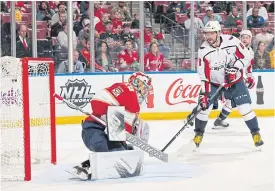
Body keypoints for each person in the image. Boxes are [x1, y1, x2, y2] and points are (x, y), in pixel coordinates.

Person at [194, 21, 264, 149]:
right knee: (204, 109)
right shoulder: (203, 51)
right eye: (206, 33)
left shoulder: (232, 41)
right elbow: (203, 75)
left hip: (235, 81)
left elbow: (246, 56)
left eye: (211, 33)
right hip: (214, 83)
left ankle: (256, 134)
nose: (208, 36)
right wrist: (204, 94)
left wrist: (235, 68)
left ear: (218, 32)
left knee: (245, 108)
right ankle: (198, 135)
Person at [70, 72, 152, 180]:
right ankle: (88, 167)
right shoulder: (131, 95)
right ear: (137, 83)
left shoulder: (124, 88)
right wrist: (111, 117)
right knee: (110, 151)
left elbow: (96, 101)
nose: (145, 92)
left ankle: (87, 166)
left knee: (117, 152)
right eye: (144, 88)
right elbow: (98, 103)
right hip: (94, 130)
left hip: (93, 131)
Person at [213, 30, 256, 129]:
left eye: (247, 37)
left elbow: (248, 66)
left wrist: (250, 76)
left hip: (236, 79)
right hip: (225, 78)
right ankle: (200, 117)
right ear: (239, 39)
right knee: (213, 100)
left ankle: (220, 120)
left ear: (250, 39)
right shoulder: (233, 48)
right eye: (243, 37)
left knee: (232, 100)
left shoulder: (250, 52)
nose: (245, 39)